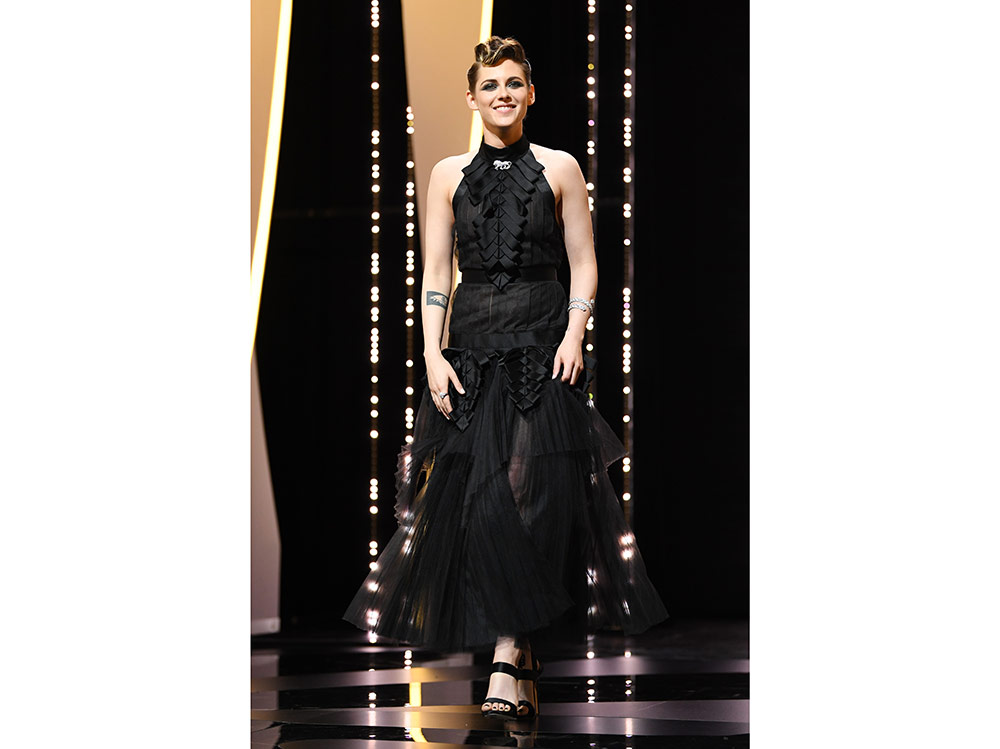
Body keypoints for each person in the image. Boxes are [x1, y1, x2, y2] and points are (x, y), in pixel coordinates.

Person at [344, 36, 667, 720]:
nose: (503, 95)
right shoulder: (445, 174)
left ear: (531, 93)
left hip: (543, 346)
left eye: (514, 83)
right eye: (491, 85)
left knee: (530, 495)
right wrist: (431, 353)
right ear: (472, 97)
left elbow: (585, 261)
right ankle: (518, 652)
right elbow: (437, 270)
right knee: (482, 501)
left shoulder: (560, 167)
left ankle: (504, 654)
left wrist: (575, 334)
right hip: (469, 349)